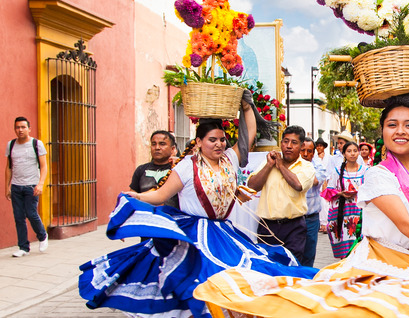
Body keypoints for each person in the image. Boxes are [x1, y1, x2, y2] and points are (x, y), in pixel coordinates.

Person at [194, 54, 409, 317]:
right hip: (379, 267)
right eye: (392, 125)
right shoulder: (380, 175)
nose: (400, 131)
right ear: (382, 130)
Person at [79, 101, 317, 318]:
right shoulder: (186, 166)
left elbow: (249, 135)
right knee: (197, 281)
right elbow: (161, 195)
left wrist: (246, 107)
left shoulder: (229, 160)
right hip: (194, 233)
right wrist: (138, 196)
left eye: (222, 139)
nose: (219, 144)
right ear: (199, 142)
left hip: (223, 233)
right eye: (212, 139)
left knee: (239, 275)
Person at [247, 125, 315, 263]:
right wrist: (269, 166)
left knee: (291, 265)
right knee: (267, 266)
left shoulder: (307, 167)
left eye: (294, 143)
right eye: (285, 141)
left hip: (294, 227)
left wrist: (281, 166)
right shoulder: (269, 163)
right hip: (267, 226)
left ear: (301, 146)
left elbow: (298, 185)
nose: (288, 146)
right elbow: (252, 186)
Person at [5, 117, 48, 257]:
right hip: (16, 186)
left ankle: (42, 236)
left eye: (23, 127)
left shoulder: (36, 144)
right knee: (18, 217)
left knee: (31, 213)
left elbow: (43, 166)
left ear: (29, 129)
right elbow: (9, 168)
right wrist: (7, 186)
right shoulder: (11, 145)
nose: (20, 130)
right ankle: (23, 247)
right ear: (15, 129)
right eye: (17, 127)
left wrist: (40, 183)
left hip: (31, 186)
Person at [321, 141, 367, 258]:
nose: (352, 154)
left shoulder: (365, 171)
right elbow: (329, 191)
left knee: (360, 249)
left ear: (359, 153)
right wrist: (340, 193)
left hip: (360, 213)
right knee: (345, 252)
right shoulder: (337, 171)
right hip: (342, 213)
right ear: (344, 154)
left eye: (355, 151)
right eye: (349, 151)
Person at [129, 130, 179, 208]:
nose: (157, 148)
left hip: (172, 217)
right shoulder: (141, 170)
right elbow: (133, 196)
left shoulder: (178, 169)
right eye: (153, 144)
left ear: (172, 149)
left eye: (162, 144)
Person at [300, 137, 326, 267]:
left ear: (313, 153)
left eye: (309, 151)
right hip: (294, 218)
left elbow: (316, 181)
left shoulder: (318, 166)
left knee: (309, 255)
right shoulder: (291, 165)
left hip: (311, 219)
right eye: (302, 150)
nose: (305, 154)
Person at [313, 137, 330, 233]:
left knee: (325, 203)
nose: (319, 148)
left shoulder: (328, 157)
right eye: (318, 146)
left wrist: (326, 182)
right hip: (317, 181)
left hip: (326, 182)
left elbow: (329, 170)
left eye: (321, 146)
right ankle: (321, 223)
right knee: (319, 202)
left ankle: (325, 223)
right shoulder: (315, 158)